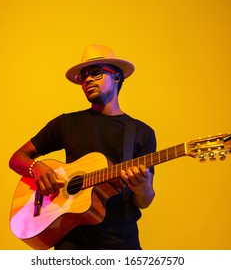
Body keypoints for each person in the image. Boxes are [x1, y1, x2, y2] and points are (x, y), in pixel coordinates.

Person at [9, 44, 157, 250]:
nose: (87, 79)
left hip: (121, 246)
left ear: (116, 77)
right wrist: (37, 168)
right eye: (83, 76)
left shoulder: (141, 133)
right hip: (70, 246)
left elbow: (144, 201)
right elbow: (17, 158)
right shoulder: (66, 124)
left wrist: (143, 189)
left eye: (95, 73)